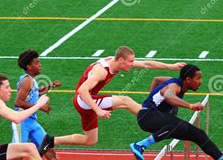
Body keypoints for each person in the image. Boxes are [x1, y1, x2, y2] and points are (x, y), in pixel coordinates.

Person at [38, 45, 186, 153]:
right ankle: (157, 119)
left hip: (88, 101)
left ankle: (50, 140)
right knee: (125, 100)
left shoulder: (114, 61)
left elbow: (146, 63)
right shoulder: (102, 71)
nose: (132, 64)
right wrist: (98, 110)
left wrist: (171, 66)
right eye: (130, 62)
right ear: (121, 60)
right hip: (84, 100)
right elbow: (83, 90)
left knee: (90, 140)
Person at [129, 64, 223, 160]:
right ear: (188, 80)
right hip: (147, 117)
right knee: (179, 125)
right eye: (198, 78)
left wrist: (150, 99)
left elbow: (156, 79)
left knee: (200, 135)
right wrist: (190, 105)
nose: (200, 82)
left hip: (156, 116)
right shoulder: (175, 86)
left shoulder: (173, 81)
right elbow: (168, 96)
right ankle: (140, 145)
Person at [13, 49, 75, 160]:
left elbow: (36, 93)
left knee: (50, 152)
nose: (40, 65)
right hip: (21, 122)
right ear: (29, 66)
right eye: (37, 63)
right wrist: (40, 106)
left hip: (32, 122)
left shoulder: (32, 81)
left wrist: (51, 86)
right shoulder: (26, 80)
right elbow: (18, 102)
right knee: (15, 159)